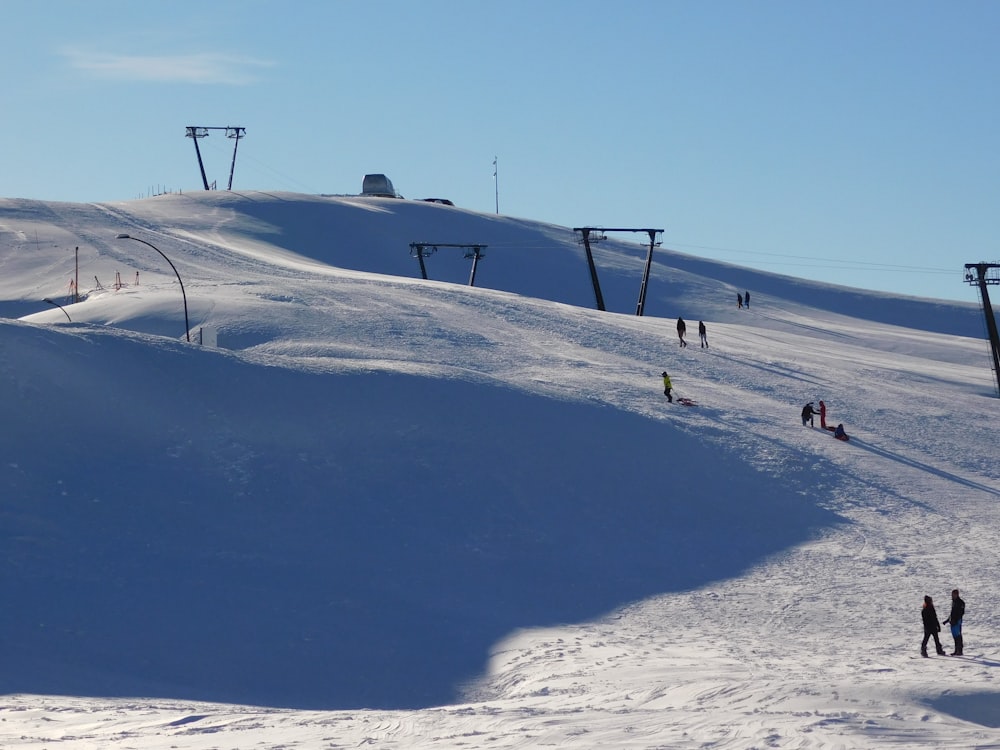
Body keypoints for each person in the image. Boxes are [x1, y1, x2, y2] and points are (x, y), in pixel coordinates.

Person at [942, 588, 965, 656]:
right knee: (955, 636)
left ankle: (960, 650)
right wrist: (947, 620)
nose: (952, 596)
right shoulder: (953, 602)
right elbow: (952, 612)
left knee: (958, 636)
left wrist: (956, 619)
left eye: (953, 595)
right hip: (952, 621)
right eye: (952, 595)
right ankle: (956, 650)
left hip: (957, 621)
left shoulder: (961, 602)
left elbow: (961, 613)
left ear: (957, 594)